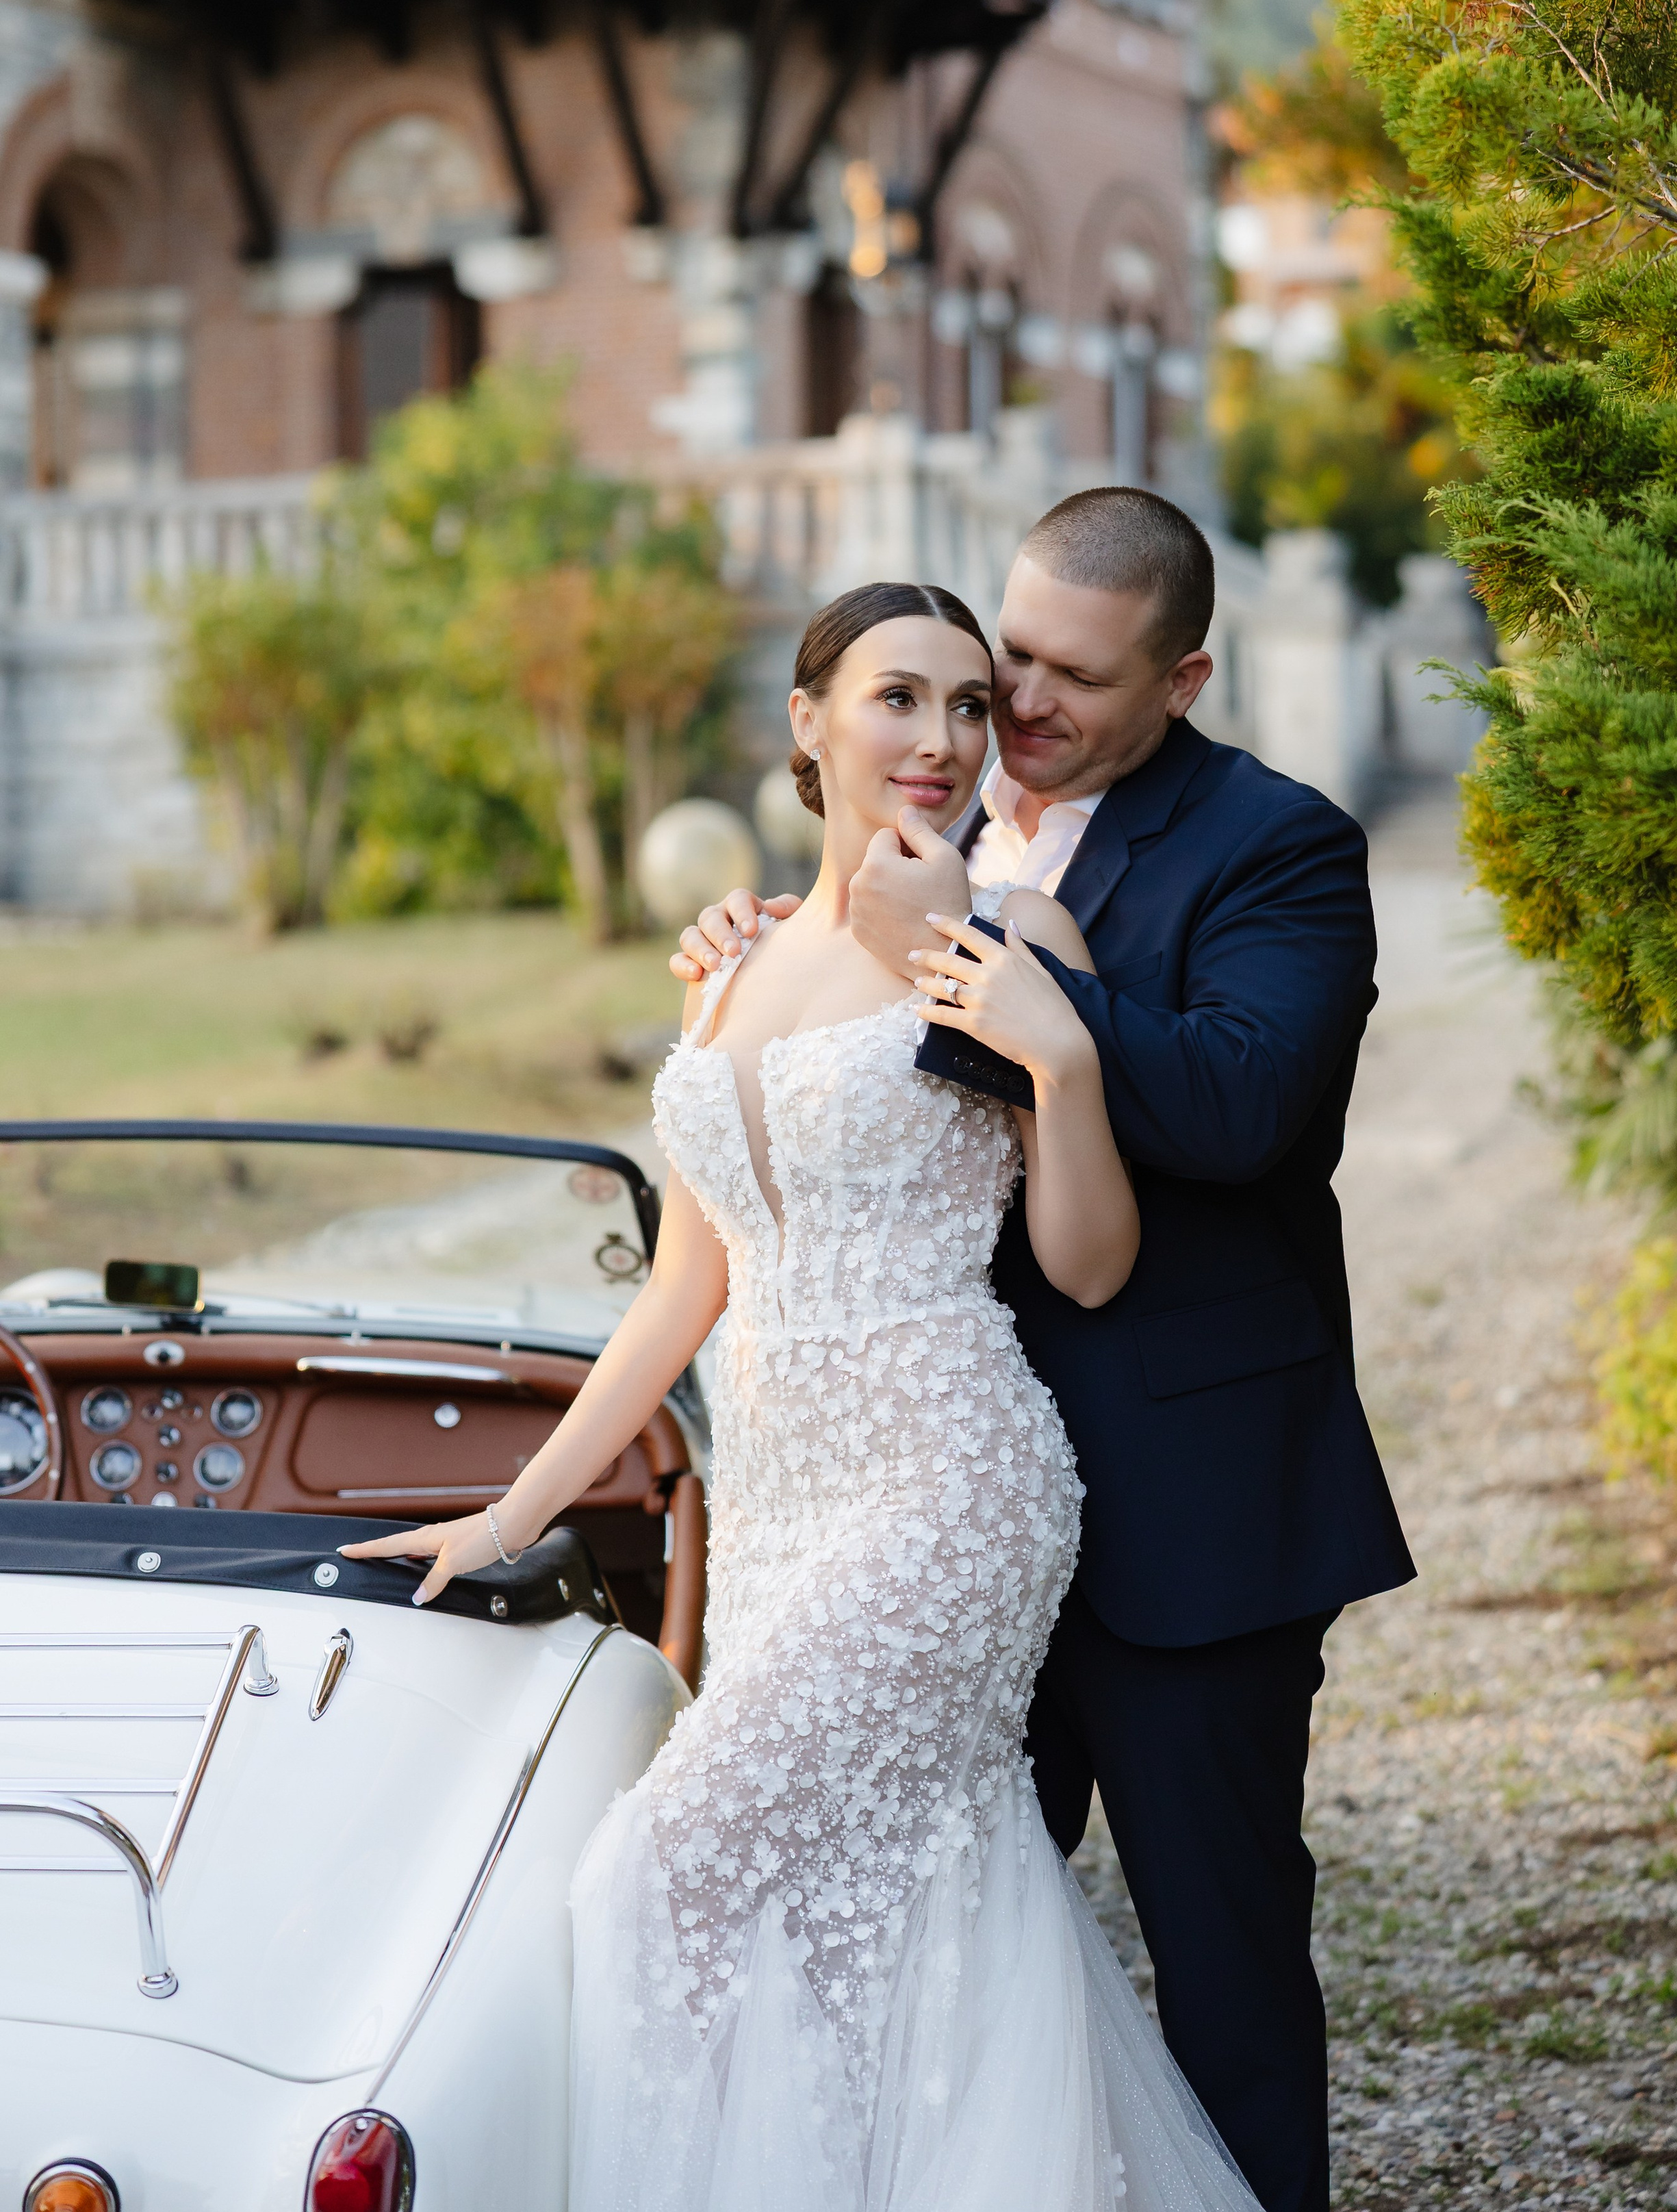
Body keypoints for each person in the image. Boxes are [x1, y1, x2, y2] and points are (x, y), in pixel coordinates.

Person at [344, 578, 1260, 2212]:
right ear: (807, 721)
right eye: (899, 696)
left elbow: (1092, 1261)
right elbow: (685, 1289)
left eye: (969, 706)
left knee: (659, 1865)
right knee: (871, 1903)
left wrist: (1055, 1055)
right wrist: (516, 1500)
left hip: (943, 1481)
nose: (939, 736)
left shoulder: (1008, 933)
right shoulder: (735, 960)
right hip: (774, 1508)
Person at [674, 490, 1417, 2212]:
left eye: (1074, 676)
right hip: (926, 1522)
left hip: (1185, 1518)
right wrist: (766, 943)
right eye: (1007, 652)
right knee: (927, 1946)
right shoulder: (932, 810)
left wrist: (1022, 987)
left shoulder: (1279, 843)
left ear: (1183, 677)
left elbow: (1237, 1105)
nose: (1017, 704)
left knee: (1217, 1967)